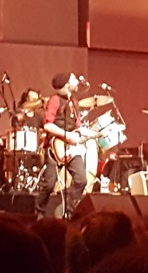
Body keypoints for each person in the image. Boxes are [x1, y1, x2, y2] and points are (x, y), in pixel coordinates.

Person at [35, 72, 94, 218]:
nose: (77, 81)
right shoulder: (55, 100)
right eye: (73, 79)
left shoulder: (74, 102)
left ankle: (69, 211)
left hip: (71, 148)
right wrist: (67, 136)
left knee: (81, 180)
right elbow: (48, 125)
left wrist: (92, 133)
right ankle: (39, 212)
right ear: (67, 84)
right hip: (56, 146)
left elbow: (78, 127)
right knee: (49, 185)